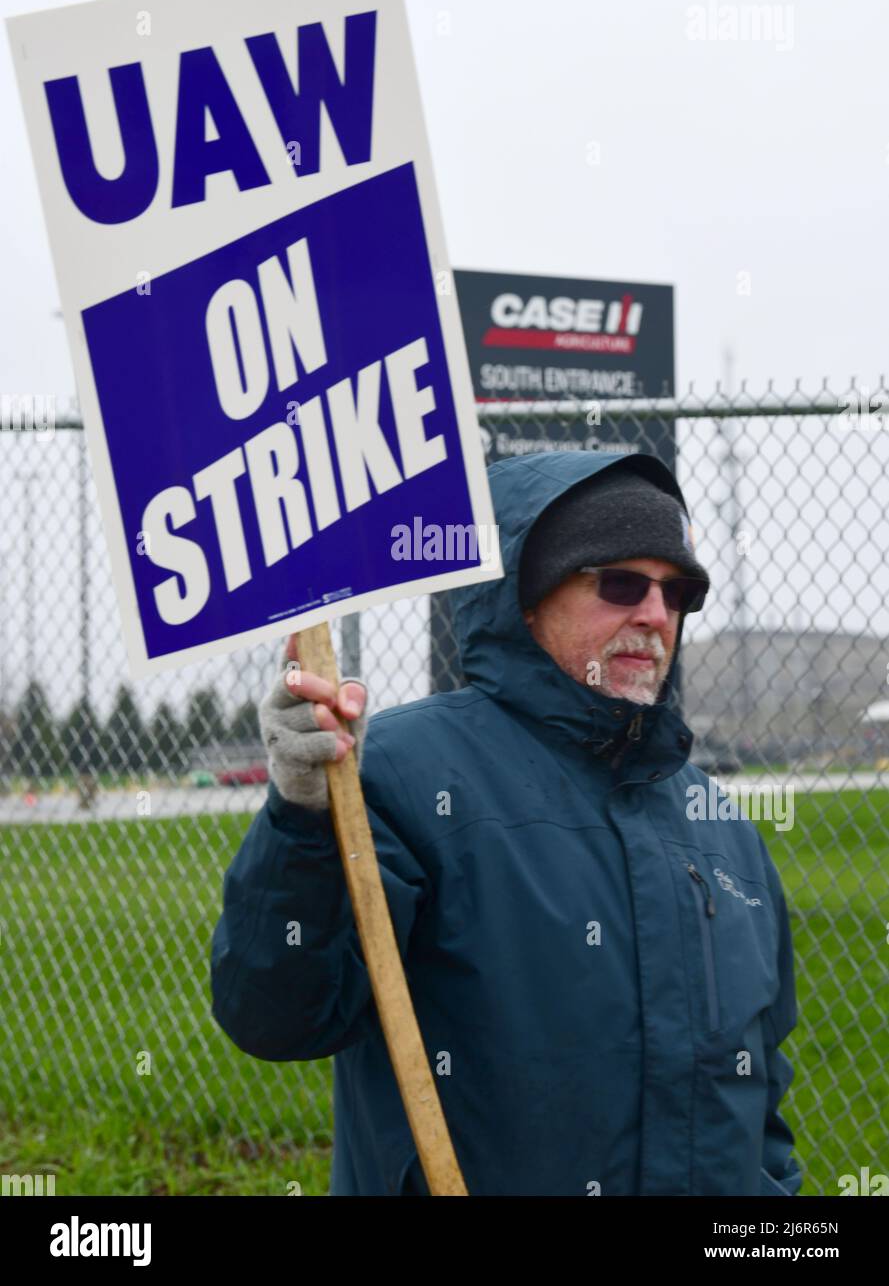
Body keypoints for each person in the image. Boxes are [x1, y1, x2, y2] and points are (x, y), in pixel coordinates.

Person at [210, 450, 802, 1197]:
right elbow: (276, 1015)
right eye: (619, 583)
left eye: (676, 591)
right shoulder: (401, 770)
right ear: (526, 599)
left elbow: (760, 1107)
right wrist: (301, 817)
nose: (654, 615)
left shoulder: (717, 823)